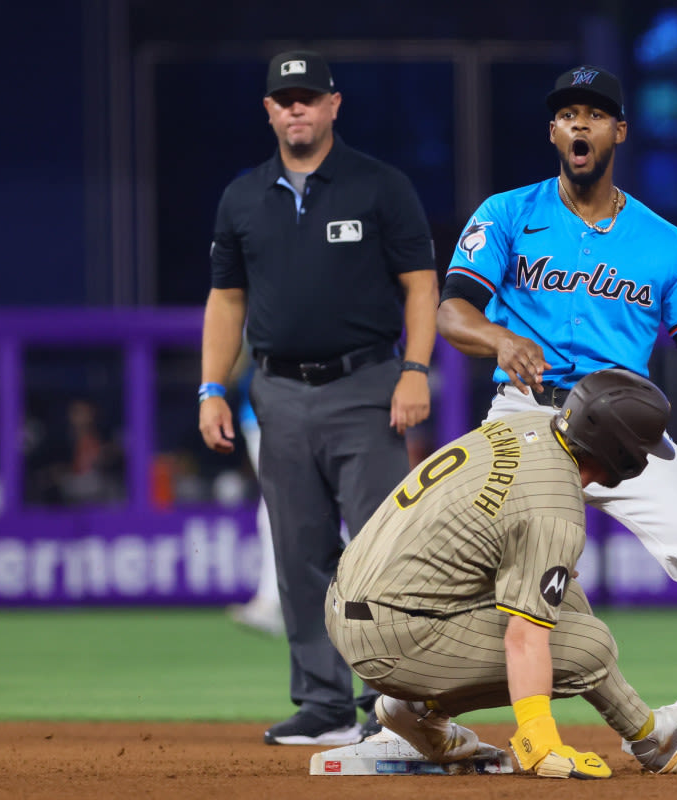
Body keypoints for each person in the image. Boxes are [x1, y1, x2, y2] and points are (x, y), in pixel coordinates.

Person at [435, 64, 677, 773]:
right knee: (457, 554)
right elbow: (453, 309)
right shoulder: (506, 214)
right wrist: (498, 338)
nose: (579, 124)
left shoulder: (663, 242)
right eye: (567, 113)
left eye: (594, 113)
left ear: (619, 130)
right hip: (524, 418)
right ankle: (402, 714)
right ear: (553, 131)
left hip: (619, 431)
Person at [198, 49, 439, 747]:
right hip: (277, 390)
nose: (296, 108)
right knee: (299, 551)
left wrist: (416, 368)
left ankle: (392, 705)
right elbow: (225, 299)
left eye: (308, 96)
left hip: (367, 386)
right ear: (268, 111)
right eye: (284, 98)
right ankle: (323, 704)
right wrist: (213, 387)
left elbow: (421, 285)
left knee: (381, 552)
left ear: (334, 105)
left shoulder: (379, 186)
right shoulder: (243, 196)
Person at [326, 368, 677, 779]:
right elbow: (524, 640)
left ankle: (649, 734)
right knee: (590, 647)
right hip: (393, 637)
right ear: (622, 454)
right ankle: (418, 708)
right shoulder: (555, 508)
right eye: (643, 447)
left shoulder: (527, 425)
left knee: (562, 595)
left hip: (358, 596)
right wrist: (540, 743)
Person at [224, 359, 284, 637]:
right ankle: (271, 601)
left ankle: (272, 602)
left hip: (284, 410)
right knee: (277, 507)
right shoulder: (247, 316)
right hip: (260, 412)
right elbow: (232, 369)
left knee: (282, 507)